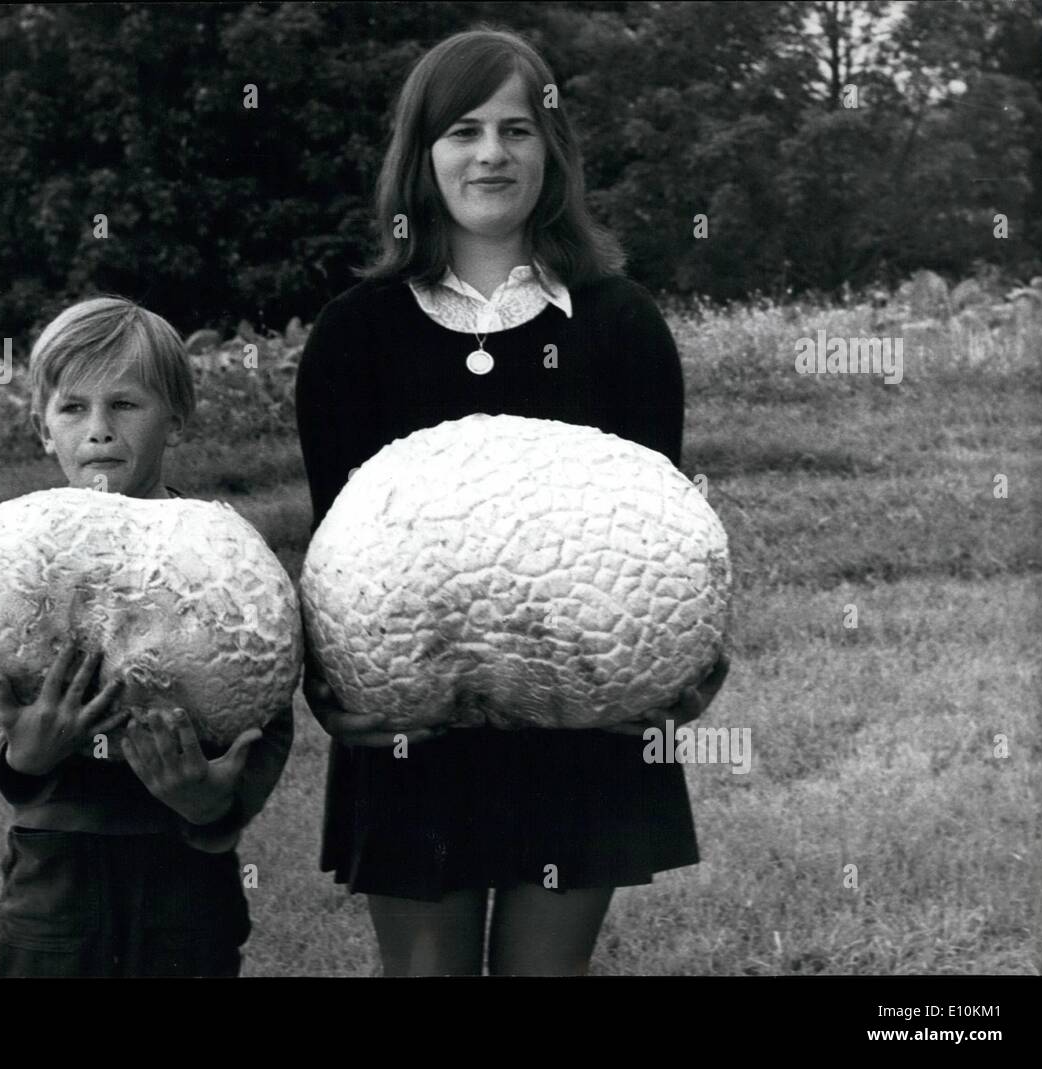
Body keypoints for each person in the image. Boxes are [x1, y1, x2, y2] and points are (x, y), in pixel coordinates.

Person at [295, 28, 729, 976]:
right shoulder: (354, 335)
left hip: (580, 713)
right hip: (415, 721)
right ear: (422, 154)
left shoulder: (620, 324)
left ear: (553, 151)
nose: (491, 153)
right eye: (462, 130)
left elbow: (655, 542)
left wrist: (688, 671)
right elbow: (336, 553)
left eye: (517, 129)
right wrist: (331, 693)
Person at [0, 296, 293, 977]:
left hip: (184, 875)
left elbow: (264, 702)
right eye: (73, 409)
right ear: (43, 428)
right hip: (53, 882)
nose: (98, 431)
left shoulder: (220, 557)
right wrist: (24, 757)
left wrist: (211, 798)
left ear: (175, 414)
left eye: (125, 405)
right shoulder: (22, 559)